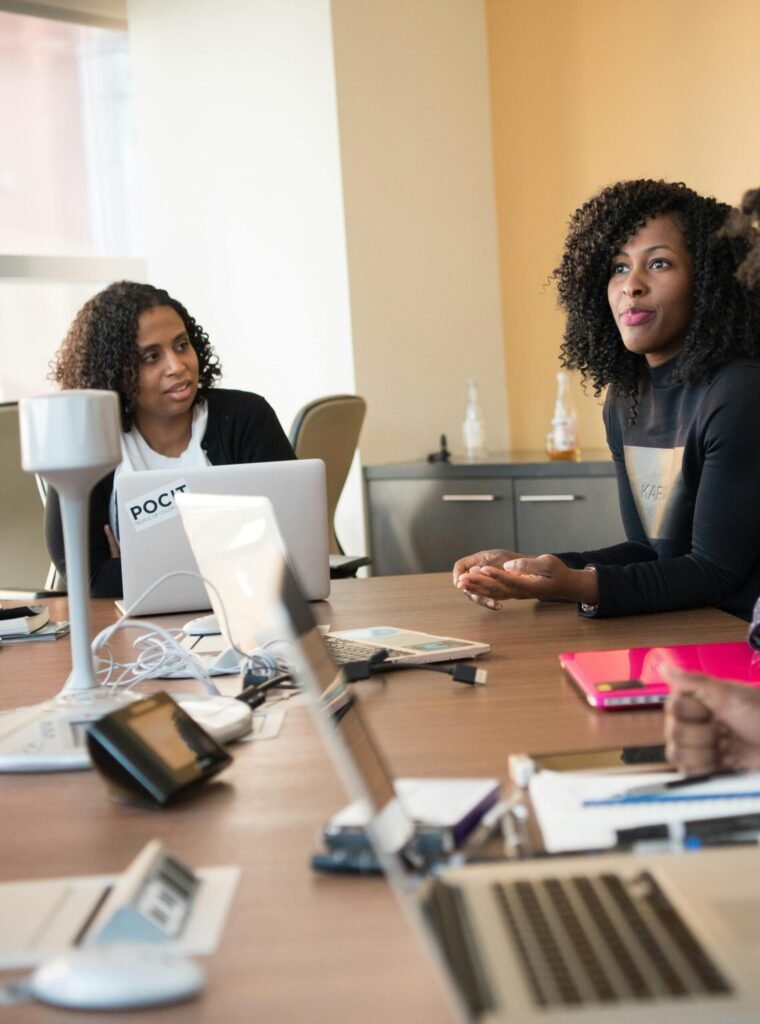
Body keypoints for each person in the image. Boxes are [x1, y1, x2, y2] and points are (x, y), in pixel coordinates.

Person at [454, 179, 760, 621]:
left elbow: (714, 572)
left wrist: (574, 584)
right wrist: (536, 568)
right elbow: (649, 551)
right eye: (618, 267)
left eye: (658, 263)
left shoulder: (740, 392)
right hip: (688, 631)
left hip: (739, 644)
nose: (631, 285)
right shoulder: (625, 399)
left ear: (708, 279)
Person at [46, 281, 295, 598]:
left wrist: (134, 569)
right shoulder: (87, 442)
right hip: (135, 635)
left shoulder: (246, 417)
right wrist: (230, 560)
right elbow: (90, 577)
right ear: (114, 370)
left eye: (181, 345)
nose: (177, 366)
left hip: (251, 616)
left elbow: (288, 548)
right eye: (151, 357)